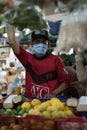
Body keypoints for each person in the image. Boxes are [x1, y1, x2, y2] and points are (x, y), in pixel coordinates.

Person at [6, 25, 70, 98]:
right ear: (32, 44)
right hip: (31, 104)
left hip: (51, 104)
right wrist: (9, 19)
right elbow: (12, 42)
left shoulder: (56, 60)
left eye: (43, 42)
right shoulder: (26, 58)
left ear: (47, 44)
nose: (41, 44)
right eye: (37, 42)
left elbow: (66, 82)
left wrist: (54, 93)